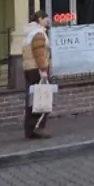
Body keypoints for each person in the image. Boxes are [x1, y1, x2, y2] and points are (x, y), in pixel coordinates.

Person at [21, 9, 52, 139]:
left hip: (29, 69)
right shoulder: (38, 33)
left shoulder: (28, 34)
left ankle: (29, 129)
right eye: (46, 19)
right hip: (37, 70)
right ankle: (38, 127)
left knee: (32, 100)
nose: (47, 21)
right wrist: (43, 70)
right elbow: (39, 53)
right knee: (43, 98)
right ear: (40, 19)